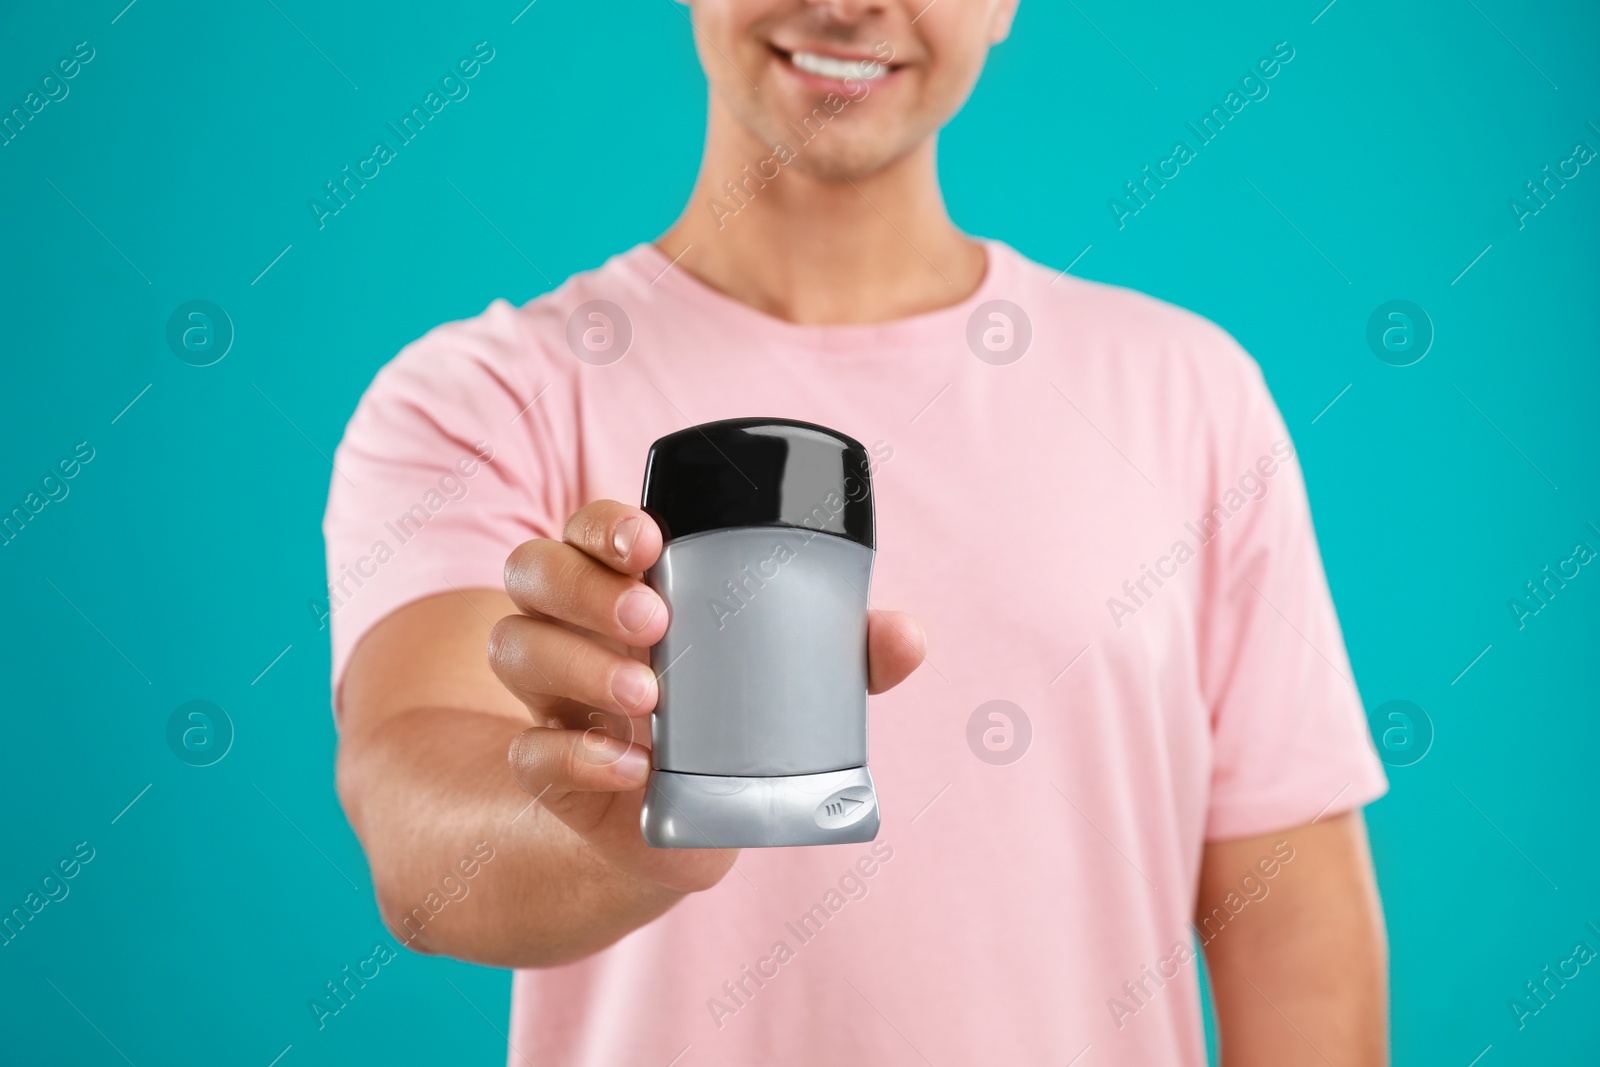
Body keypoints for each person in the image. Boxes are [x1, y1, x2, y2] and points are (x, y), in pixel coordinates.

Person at [323, 1, 1389, 1064]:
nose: (845, 4)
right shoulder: (480, 399)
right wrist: (621, 843)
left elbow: (1293, 922)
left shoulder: (1187, 394)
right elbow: (420, 837)